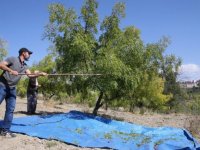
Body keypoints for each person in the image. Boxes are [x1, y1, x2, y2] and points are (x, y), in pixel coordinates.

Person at [0, 48, 47, 137]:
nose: (29, 55)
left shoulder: (25, 66)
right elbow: (1, 64)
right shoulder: (12, 59)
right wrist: (11, 71)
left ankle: (5, 131)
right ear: (23, 53)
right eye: (28, 53)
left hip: (12, 89)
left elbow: (30, 75)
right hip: (2, 85)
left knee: (10, 110)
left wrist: (40, 74)